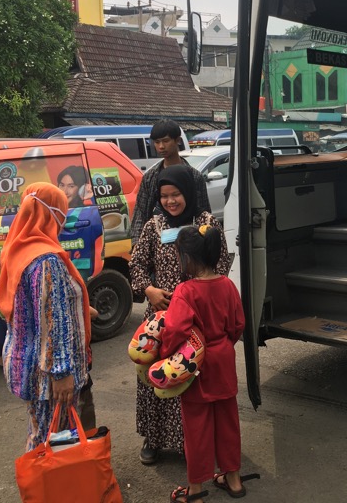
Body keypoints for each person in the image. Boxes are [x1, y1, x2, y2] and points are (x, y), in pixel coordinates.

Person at [129, 164, 230, 465]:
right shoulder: (154, 225)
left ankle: (193, 443)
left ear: (188, 192)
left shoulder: (206, 223)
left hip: (196, 318)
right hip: (160, 318)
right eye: (164, 196)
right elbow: (136, 265)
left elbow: (220, 265)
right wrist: (149, 290)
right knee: (157, 373)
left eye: (176, 195)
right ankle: (155, 439)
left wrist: (200, 297)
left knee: (190, 377)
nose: (170, 201)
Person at [0, 183, 92, 451]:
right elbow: (54, 322)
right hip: (48, 377)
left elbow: (31, 305)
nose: (63, 221)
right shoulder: (46, 260)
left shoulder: (18, 249)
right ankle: (48, 491)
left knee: (39, 430)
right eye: (62, 213)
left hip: (24, 362)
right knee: (51, 443)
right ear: (51, 214)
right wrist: (61, 373)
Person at [161, 225, 247, 503]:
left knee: (196, 428)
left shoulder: (185, 291)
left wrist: (165, 354)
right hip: (223, 360)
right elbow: (237, 325)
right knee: (228, 422)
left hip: (196, 364)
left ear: (188, 257)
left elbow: (174, 330)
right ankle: (233, 479)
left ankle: (196, 490)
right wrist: (222, 346)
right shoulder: (228, 285)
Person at [130, 119, 211, 245]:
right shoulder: (150, 177)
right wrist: (137, 244)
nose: (161, 146)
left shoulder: (195, 176)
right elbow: (141, 212)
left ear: (177, 140)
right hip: (158, 242)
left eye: (166, 141)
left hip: (189, 243)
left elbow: (204, 213)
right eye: (157, 142)